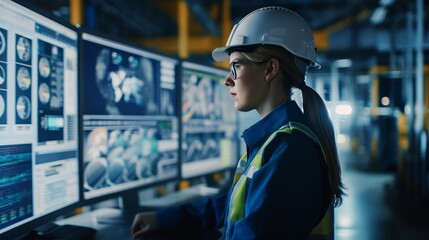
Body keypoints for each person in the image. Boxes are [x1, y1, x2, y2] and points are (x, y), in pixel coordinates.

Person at [131, 6, 345, 239]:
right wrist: (162, 219)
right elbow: (234, 205)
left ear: (270, 69)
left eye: (236, 66)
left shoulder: (289, 152)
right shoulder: (277, 142)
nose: (227, 80)